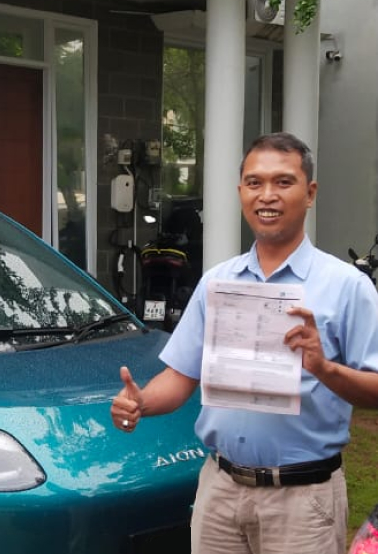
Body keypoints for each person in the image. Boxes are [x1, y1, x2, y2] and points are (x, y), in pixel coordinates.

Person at [110, 131, 378, 554]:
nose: (267, 195)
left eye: (283, 182)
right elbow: (180, 377)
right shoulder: (218, 282)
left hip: (302, 501)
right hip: (221, 492)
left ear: (310, 193)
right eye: (254, 182)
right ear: (241, 193)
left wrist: (324, 368)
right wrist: (141, 402)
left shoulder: (348, 287)